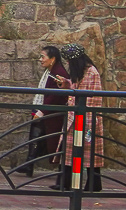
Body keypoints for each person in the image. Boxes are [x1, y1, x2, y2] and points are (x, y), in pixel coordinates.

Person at [51, 43, 105, 191]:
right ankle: (65, 182)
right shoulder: (81, 72)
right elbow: (76, 87)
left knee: (90, 153)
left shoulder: (92, 73)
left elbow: (94, 98)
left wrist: (87, 119)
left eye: (70, 61)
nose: (68, 64)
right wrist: (66, 83)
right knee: (68, 150)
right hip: (74, 117)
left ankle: (93, 184)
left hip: (85, 118)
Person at [15, 46, 69, 177]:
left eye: (43, 57)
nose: (40, 59)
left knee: (44, 139)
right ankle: (29, 164)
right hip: (46, 111)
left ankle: (32, 164)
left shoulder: (58, 73)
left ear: (52, 59)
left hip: (52, 114)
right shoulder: (50, 71)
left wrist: (42, 111)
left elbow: (54, 95)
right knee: (36, 136)